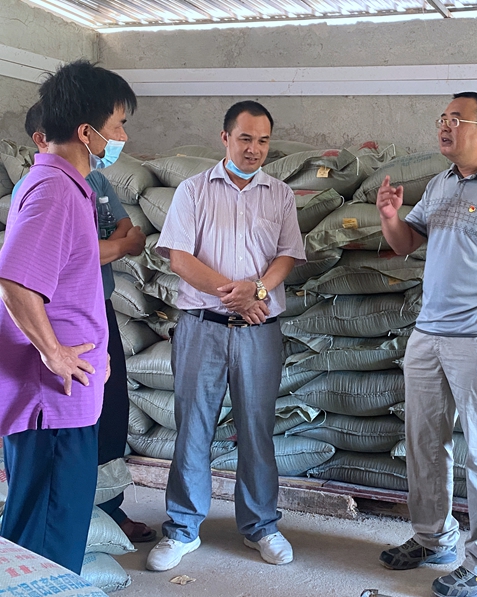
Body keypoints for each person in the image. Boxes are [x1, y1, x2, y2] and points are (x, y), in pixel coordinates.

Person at [376, 92, 477, 597]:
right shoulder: (440, 184)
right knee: (425, 444)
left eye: (455, 120)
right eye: (441, 119)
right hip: (428, 335)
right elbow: (406, 244)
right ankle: (433, 538)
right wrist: (389, 216)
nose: (444, 127)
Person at [146, 100, 305, 572]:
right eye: (245, 139)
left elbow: (287, 257)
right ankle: (181, 529)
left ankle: (261, 525)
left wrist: (256, 289)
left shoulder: (279, 194)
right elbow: (179, 258)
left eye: (262, 141)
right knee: (193, 427)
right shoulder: (193, 191)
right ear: (225, 138)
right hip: (202, 328)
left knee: (257, 430)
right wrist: (231, 294)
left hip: (260, 330)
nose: (254, 149)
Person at [0, 59, 137, 574]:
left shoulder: (64, 186)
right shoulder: (57, 190)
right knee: (49, 535)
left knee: (51, 519)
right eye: (119, 124)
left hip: (62, 397)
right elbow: (14, 281)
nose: (122, 136)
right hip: (52, 401)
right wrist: (53, 353)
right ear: (87, 131)